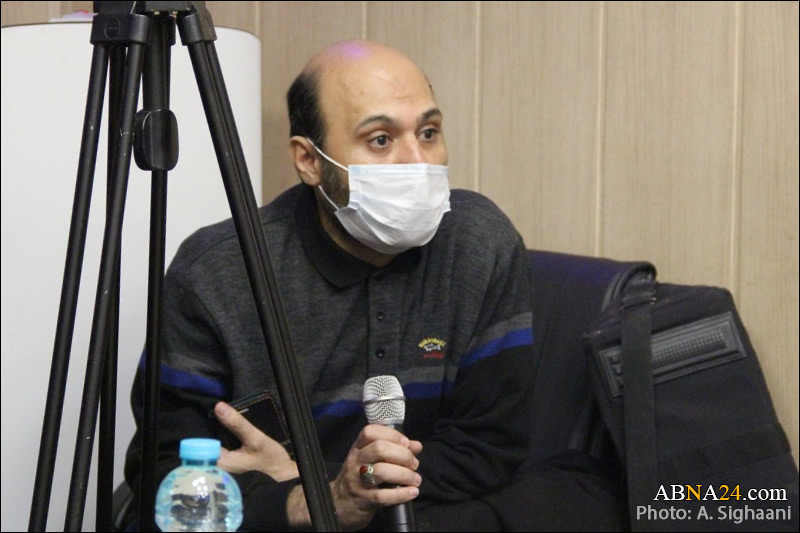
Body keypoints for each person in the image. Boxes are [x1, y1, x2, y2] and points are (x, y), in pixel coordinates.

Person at [125, 39, 538, 531]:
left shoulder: (480, 245)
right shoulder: (217, 274)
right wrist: (315, 502)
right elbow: (163, 474)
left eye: (428, 132)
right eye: (380, 140)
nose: (417, 161)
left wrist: (312, 480)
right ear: (309, 161)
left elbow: (490, 449)